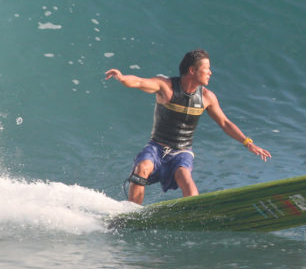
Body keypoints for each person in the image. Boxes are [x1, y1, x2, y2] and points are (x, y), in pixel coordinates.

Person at [105, 49, 271, 204]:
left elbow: (225, 123)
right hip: (157, 147)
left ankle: (195, 210)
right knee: (142, 168)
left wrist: (248, 143)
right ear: (193, 70)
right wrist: (122, 78)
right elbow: (140, 82)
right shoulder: (166, 87)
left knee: (184, 176)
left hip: (182, 151)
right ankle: (133, 213)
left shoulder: (207, 97)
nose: (210, 73)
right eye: (207, 69)